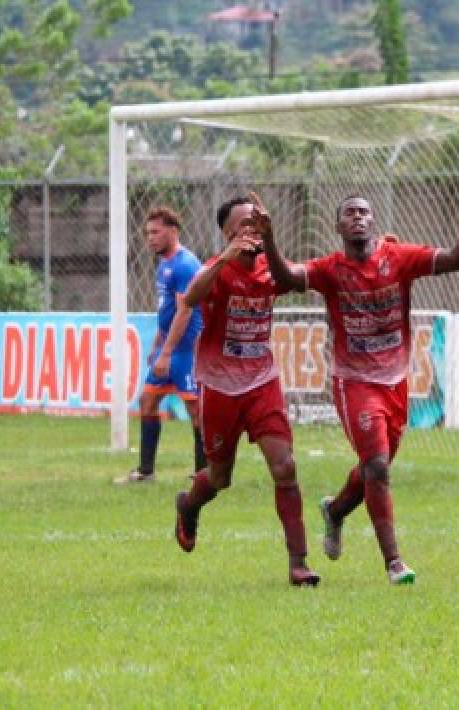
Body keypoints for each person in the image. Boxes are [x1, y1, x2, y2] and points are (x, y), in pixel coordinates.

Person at [257, 172, 459, 584]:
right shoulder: (331, 269)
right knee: (378, 466)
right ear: (338, 226)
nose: (358, 218)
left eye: (364, 212)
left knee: (372, 469)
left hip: (396, 381)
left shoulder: (398, 258)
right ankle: (394, 562)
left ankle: (336, 510)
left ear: (374, 221)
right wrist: (270, 238)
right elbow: (287, 279)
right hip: (353, 382)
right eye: (350, 213)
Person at [170, 196, 320, 586]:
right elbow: (191, 297)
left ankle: (298, 563)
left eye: (256, 225)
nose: (250, 232)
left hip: (261, 382)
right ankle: (188, 504)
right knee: (219, 478)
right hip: (220, 386)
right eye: (242, 227)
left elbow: (296, 279)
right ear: (226, 234)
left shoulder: (272, 266)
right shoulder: (215, 270)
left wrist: (271, 244)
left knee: (285, 466)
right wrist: (223, 258)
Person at [114, 206, 207, 484]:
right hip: (169, 348)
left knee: (196, 410)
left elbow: (185, 311)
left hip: (187, 349)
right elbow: (166, 311)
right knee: (148, 400)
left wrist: (166, 352)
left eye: (155, 232)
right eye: (147, 233)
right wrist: (157, 344)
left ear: (172, 231)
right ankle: (145, 471)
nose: (150, 238)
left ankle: (204, 474)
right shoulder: (164, 264)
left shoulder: (186, 265)